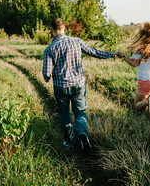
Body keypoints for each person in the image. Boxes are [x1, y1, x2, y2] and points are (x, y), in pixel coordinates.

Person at [42, 18, 116, 152]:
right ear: (64, 27)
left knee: (64, 114)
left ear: (51, 30)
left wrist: (47, 78)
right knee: (80, 112)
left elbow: (47, 73)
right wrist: (111, 54)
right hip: (78, 84)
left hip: (61, 86)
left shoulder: (49, 49)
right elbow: (94, 52)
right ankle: (83, 134)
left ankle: (70, 141)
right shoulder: (77, 41)